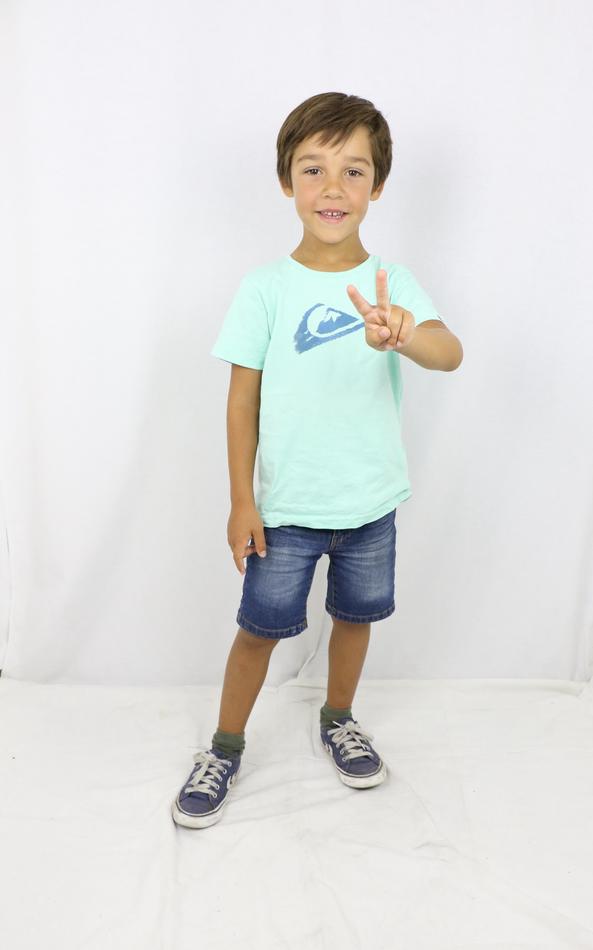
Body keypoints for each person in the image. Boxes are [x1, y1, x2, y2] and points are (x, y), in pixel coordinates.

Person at [172, 91, 463, 829]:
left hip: (370, 503)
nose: (333, 188)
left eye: (353, 171)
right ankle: (224, 746)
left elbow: (449, 353)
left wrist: (403, 332)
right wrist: (242, 500)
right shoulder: (265, 288)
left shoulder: (393, 284)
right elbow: (241, 401)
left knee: (355, 617)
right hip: (285, 511)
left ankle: (338, 718)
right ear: (286, 182)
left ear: (377, 186)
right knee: (259, 629)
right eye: (313, 169)